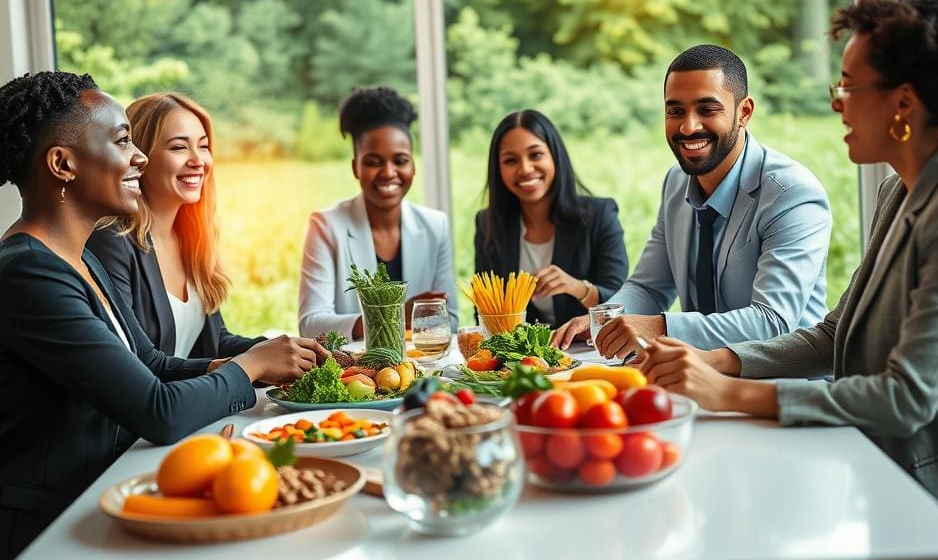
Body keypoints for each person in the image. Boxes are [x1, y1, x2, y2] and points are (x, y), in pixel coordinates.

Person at [636, 0, 938, 517]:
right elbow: (838, 333)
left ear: (903, 102)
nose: (837, 105)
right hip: (872, 465)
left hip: (930, 493)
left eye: (849, 87)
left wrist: (727, 392)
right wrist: (716, 360)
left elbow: (905, 400)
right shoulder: (897, 189)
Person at [0, 72, 321, 560]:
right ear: (62, 164)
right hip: (47, 538)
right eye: (123, 141)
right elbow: (158, 409)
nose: (140, 157)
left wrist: (259, 360)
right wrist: (250, 368)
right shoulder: (27, 273)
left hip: (100, 500)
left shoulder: (81, 261)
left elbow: (149, 361)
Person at [553, 44, 832, 356]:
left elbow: (772, 322)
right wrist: (603, 319)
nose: (688, 126)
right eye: (675, 111)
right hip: (699, 376)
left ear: (744, 112)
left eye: (707, 110)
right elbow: (649, 287)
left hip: (782, 385)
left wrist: (659, 327)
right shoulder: (676, 182)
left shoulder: (791, 193)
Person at [87, 93, 289, 358]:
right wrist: (254, 363)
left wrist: (283, 350)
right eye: (179, 147)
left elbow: (216, 343)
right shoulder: (113, 240)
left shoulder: (190, 238)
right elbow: (132, 362)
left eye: (203, 146)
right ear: (139, 156)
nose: (198, 161)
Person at [299, 87, 458, 338]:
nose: (388, 172)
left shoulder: (435, 225)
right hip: (355, 371)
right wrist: (390, 317)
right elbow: (310, 324)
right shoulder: (327, 226)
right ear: (355, 168)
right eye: (373, 162)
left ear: (413, 165)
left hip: (420, 365)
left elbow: (449, 319)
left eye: (400, 160)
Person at [474, 110, 629, 328]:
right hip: (524, 358)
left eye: (535, 155)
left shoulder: (600, 215)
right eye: (510, 160)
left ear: (555, 156)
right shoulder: (488, 223)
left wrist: (578, 288)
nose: (526, 169)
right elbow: (483, 312)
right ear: (497, 169)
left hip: (590, 353)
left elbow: (622, 305)